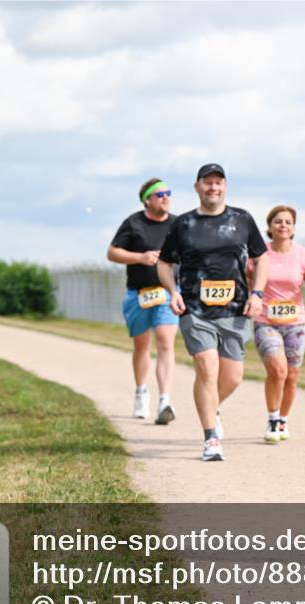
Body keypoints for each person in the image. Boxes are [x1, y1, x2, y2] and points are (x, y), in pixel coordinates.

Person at [157, 163, 268, 462]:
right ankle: (211, 439)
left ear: (225, 187)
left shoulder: (242, 219)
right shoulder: (183, 224)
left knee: (232, 377)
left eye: (218, 182)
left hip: (235, 309)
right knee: (207, 369)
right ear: (197, 187)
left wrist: (257, 294)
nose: (213, 188)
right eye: (207, 183)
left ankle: (212, 406)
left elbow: (261, 258)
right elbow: (164, 263)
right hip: (195, 308)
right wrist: (173, 292)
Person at [107, 178, 180, 425]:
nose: (165, 197)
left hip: (168, 292)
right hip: (138, 293)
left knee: (166, 342)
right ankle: (141, 391)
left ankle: (165, 400)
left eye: (168, 193)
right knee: (142, 345)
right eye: (160, 194)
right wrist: (141, 256)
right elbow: (112, 252)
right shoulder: (133, 223)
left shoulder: (177, 224)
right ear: (147, 199)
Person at [246, 205, 305, 443]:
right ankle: (272, 418)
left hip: (295, 323)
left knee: (292, 376)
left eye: (288, 222)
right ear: (269, 227)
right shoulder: (260, 255)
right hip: (266, 320)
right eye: (278, 221)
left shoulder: (304, 255)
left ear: (294, 227)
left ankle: (283, 420)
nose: (283, 225)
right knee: (278, 370)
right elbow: (249, 281)